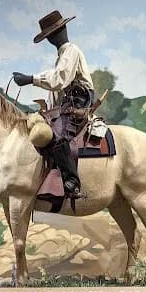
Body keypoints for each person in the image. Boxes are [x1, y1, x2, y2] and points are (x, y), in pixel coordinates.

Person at [12, 11, 95, 199]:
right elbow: (57, 91)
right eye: (51, 36)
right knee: (44, 127)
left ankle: (72, 182)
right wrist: (46, 113)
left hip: (79, 99)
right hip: (68, 101)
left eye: (52, 34)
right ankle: (50, 180)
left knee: (57, 134)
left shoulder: (71, 51)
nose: (52, 39)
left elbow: (59, 80)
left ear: (60, 32)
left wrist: (31, 79)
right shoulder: (62, 56)